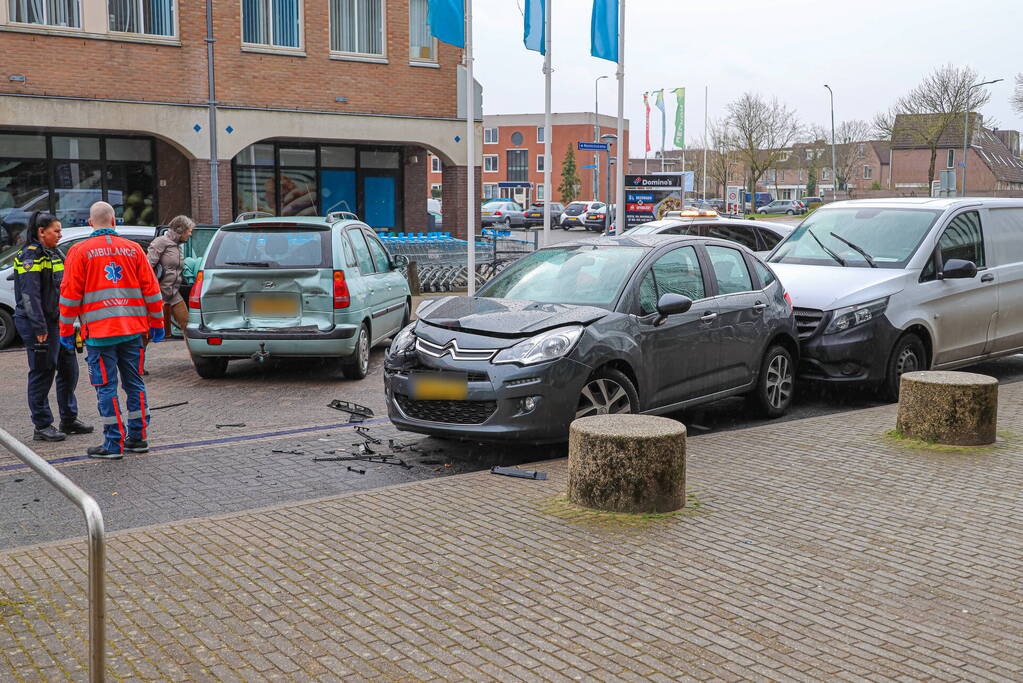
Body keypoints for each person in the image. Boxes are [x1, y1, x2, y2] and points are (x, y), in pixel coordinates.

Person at [59, 201, 165, 459]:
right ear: (114, 221)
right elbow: (152, 290)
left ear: (90, 223)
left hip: (100, 334)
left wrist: (65, 330)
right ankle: (138, 438)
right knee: (135, 384)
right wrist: (158, 323)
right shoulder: (134, 249)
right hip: (132, 331)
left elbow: (70, 295)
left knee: (106, 388)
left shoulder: (79, 251)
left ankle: (113, 443)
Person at [12, 212, 93, 442]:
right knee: (43, 372)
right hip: (38, 324)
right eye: (56, 231)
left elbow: (67, 287)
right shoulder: (30, 256)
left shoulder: (55, 253)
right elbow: (30, 296)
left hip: (58, 322)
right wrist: (39, 328)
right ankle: (42, 425)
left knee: (69, 369)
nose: (60, 235)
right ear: (41, 232)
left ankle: (68, 418)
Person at [147, 215, 193, 336]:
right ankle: (139, 349)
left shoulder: (178, 246)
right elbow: (147, 267)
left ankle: (193, 349)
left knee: (187, 326)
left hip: (173, 294)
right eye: (189, 231)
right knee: (149, 331)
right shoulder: (160, 242)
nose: (190, 234)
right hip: (158, 294)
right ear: (180, 230)